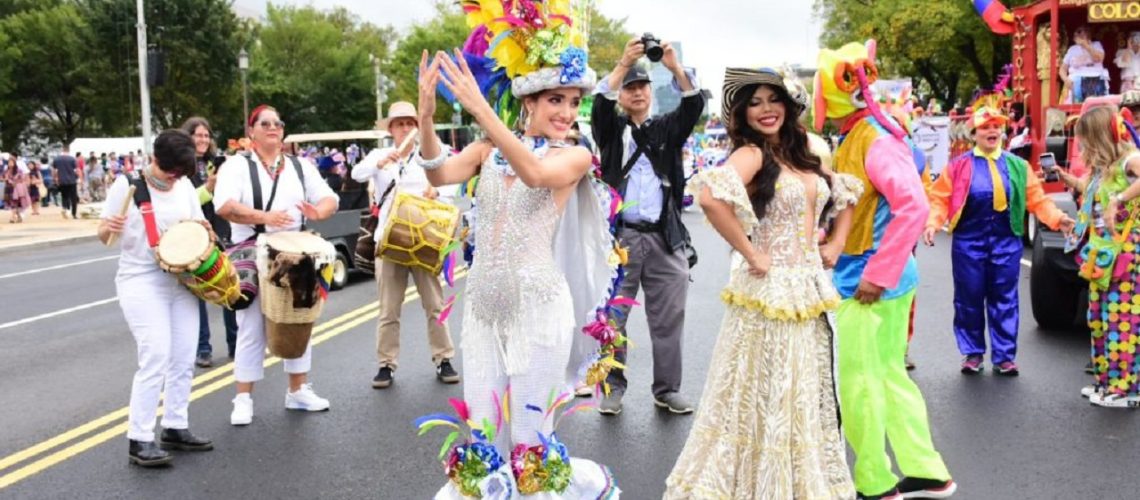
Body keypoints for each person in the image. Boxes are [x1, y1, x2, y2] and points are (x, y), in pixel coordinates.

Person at [415, 1, 621, 495]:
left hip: (539, 309)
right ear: (528, 102)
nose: (567, 112)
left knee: (531, 440)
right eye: (556, 100)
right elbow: (438, 172)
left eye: (574, 101)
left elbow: (535, 173)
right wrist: (426, 118)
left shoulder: (574, 155)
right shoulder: (487, 152)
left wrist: (480, 110)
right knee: (482, 437)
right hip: (484, 308)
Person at [663, 67, 858, 499]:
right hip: (768, 293)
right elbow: (710, 197)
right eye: (755, 102)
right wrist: (751, 253)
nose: (765, 110)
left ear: (789, 105)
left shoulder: (807, 153)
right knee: (767, 393)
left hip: (808, 291)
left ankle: (798, 485)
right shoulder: (752, 154)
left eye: (773, 100)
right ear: (743, 113)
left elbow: (844, 196)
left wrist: (837, 244)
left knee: (802, 392)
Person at [814, 40, 956, 499]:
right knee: (889, 375)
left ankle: (875, 483)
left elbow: (911, 206)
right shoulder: (867, 133)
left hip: (869, 284)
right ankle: (926, 470)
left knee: (859, 381)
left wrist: (880, 271)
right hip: (875, 276)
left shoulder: (872, 137)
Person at [591, 35, 706, 416]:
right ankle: (613, 386)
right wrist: (623, 64)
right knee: (612, 318)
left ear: (651, 93)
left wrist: (673, 67)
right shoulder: (610, 131)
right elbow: (599, 105)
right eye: (630, 88)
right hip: (620, 237)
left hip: (664, 236)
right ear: (622, 96)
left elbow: (693, 107)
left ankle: (667, 389)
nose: (636, 92)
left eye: (642, 86)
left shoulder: (666, 129)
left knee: (669, 318)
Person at [213, 105, 340, 426]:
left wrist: (318, 212)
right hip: (254, 248)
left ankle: (297, 390)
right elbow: (224, 206)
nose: (273, 127)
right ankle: (243, 397)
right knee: (252, 326)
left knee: (300, 320)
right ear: (252, 131)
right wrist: (265, 218)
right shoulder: (236, 166)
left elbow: (329, 198)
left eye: (278, 123)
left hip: (296, 251)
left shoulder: (300, 166)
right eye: (265, 123)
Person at [925, 106, 1074, 375]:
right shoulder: (958, 166)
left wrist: (1058, 219)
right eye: (985, 127)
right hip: (968, 242)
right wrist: (933, 223)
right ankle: (972, 353)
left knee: (1004, 299)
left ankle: (1004, 356)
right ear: (974, 134)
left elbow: (1037, 200)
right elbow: (940, 199)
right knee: (968, 298)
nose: (992, 130)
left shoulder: (1018, 166)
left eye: (996, 126)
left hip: (1006, 242)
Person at [98, 129, 214, 467]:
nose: (174, 178)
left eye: (181, 173)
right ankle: (140, 438)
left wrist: (204, 232)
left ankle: (175, 426)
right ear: (154, 159)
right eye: (170, 171)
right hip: (141, 279)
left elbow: (199, 224)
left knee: (183, 356)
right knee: (156, 356)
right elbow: (103, 235)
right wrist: (111, 226)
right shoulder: (128, 185)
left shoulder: (185, 187)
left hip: (181, 280)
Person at [352, 101, 459, 389]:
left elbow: (452, 185)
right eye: (399, 124)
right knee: (389, 309)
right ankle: (386, 364)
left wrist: (437, 190)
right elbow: (356, 175)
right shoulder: (379, 153)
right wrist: (380, 162)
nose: (405, 128)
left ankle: (443, 358)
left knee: (435, 305)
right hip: (389, 241)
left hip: (425, 240)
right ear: (391, 129)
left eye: (410, 123)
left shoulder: (432, 154)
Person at [1060, 105, 1140, 407]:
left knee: (1123, 320)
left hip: (1126, 253)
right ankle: (1106, 382)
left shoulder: (1129, 161)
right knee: (1099, 319)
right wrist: (1066, 178)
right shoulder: (1102, 169)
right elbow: (1093, 192)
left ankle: (1126, 389)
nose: (1081, 147)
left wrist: (1119, 200)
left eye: (1086, 140)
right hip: (1101, 255)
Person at [181, 116, 237, 368]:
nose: (203, 140)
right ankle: (203, 348)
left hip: (222, 230)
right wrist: (209, 186)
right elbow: (186, 201)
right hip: (196, 235)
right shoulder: (182, 167)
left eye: (206, 135)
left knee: (228, 289)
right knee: (199, 293)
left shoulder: (218, 163)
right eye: (198, 135)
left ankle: (236, 344)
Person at [1062, 25, 1108, 104]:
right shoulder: (1072, 49)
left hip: (1095, 79)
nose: (1079, 34)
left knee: (1097, 106)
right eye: (1077, 32)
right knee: (1078, 105)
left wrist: (1086, 45)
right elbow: (1063, 69)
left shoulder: (1096, 44)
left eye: (1082, 31)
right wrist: (1065, 79)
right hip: (1077, 80)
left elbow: (1099, 58)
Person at [52, 146, 80, 219]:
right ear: (68, 151)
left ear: (62, 150)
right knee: (73, 197)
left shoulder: (56, 159)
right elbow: (76, 170)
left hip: (62, 180)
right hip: (72, 180)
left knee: (64, 196)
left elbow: (55, 170)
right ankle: (74, 214)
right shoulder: (72, 159)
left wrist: (55, 179)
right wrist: (80, 178)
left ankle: (65, 208)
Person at [3, 155, 31, 222]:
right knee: (12, 203)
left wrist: (15, 181)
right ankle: (18, 216)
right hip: (9, 188)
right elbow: (3, 177)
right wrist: (6, 179)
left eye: (12, 162)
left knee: (16, 203)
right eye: (9, 162)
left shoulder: (19, 170)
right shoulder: (6, 170)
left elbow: (22, 178)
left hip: (17, 189)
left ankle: (13, 217)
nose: (10, 164)